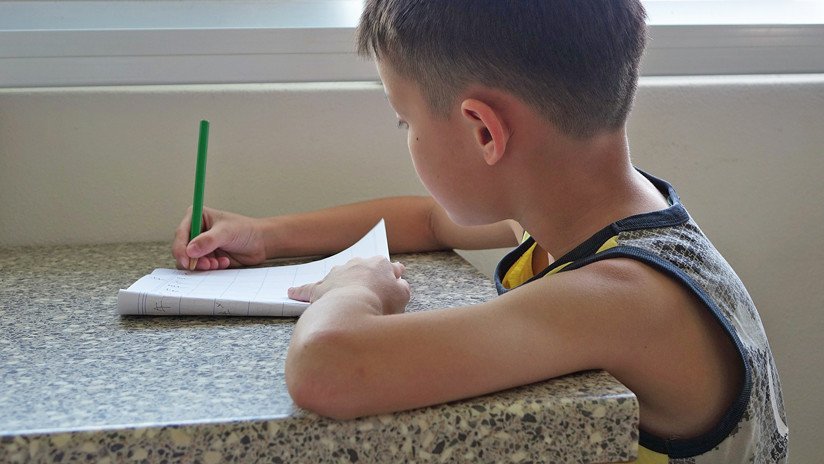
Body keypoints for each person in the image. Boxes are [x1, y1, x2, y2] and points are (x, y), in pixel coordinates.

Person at [171, 1, 788, 462]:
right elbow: (430, 219)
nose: (407, 137)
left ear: (484, 131)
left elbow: (329, 369)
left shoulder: (625, 298)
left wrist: (355, 289)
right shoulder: (579, 203)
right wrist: (267, 234)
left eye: (404, 121)